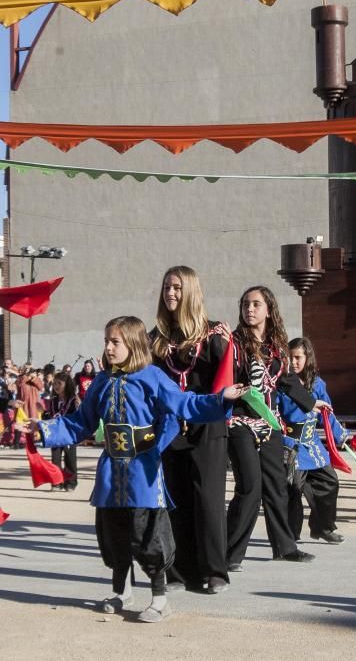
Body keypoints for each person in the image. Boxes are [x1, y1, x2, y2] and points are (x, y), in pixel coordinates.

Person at [23, 316, 242, 623]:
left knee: (147, 534)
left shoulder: (152, 377)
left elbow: (184, 404)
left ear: (135, 344)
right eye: (106, 342)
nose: (108, 348)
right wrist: (44, 429)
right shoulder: (101, 381)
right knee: (114, 535)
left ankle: (159, 598)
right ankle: (121, 591)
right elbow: (79, 422)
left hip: (143, 471)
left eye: (115, 342)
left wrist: (221, 399)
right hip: (111, 472)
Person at [226, 287, 323, 569]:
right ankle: (230, 555)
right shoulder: (233, 344)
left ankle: (284, 547)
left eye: (256, 304)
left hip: (270, 423)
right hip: (240, 422)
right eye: (245, 304)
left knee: (277, 487)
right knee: (249, 488)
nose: (250, 309)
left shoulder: (277, 346)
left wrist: (311, 403)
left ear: (269, 309)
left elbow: (288, 381)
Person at [149, 266, 232, 594]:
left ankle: (216, 571)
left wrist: (200, 411)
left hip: (207, 427)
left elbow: (225, 382)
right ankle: (180, 571)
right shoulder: (155, 340)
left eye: (177, 288)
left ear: (191, 292)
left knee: (208, 501)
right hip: (171, 430)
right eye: (167, 287)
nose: (170, 293)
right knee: (176, 500)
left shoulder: (215, 334)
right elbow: (150, 385)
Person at [280, 337, 348, 544]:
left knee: (330, 482)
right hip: (290, 444)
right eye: (290, 357)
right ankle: (290, 534)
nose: (294, 362)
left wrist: (341, 436)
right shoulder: (281, 383)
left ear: (308, 358)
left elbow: (327, 413)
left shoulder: (317, 383)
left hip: (312, 445)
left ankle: (323, 528)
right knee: (293, 490)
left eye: (298, 357)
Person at [49, 371, 80, 492]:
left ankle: (71, 482)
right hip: (55, 433)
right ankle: (56, 482)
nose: (56, 386)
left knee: (70, 458)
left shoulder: (73, 400)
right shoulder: (53, 400)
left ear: (66, 384)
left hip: (69, 433)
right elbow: (50, 416)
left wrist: (79, 406)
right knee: (55, 458)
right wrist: (44, 411)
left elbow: (77, 415)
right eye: (54, 383)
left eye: (59, 383)